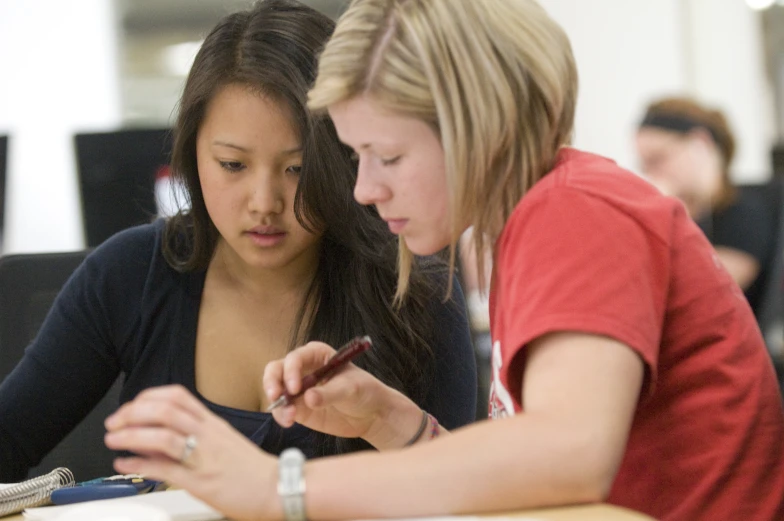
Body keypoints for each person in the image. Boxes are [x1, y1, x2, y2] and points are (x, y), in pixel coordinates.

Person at [104, 1, 784, 520]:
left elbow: (568, 455)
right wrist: (385, 419)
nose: (365, 189)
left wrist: (278, 487)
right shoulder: (530, 223)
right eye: (356, 156)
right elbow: (517, 483)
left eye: (388, 156)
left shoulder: (575, 210)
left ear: (477, 130)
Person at [0, 0, 478, 482]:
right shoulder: (127, 273)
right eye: (232, 165)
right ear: (190, 155)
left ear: (345, 159)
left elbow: (474, 488)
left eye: (298, 169)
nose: (264, 202)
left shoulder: (414, 285)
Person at [636, 96, 776, 316]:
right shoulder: (692, 215)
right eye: (644, 163)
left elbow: (701, 295)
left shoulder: (744, 212)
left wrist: (662, 213)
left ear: (700, 144)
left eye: (657, 159)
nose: (650, 173)